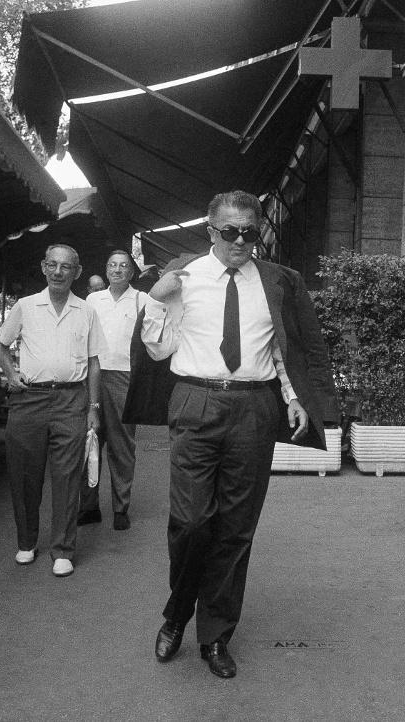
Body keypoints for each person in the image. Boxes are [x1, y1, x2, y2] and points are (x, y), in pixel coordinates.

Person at [136, 190, 338, 679]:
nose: (241, 241)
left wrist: (294, 398)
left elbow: (282, 350)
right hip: (194, 399)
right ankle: (177, 612)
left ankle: (215, 635)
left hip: (253, 408)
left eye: (250, 231)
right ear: (211, 231)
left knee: (235, 528)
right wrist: (156, 301)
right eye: (231, 231)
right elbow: (159, 350)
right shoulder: (183, 277)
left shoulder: (276, 282)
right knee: (190, 522)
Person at [0, 243, 104, 578]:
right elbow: (0, 344)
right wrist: (11, 374)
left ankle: (63, 549)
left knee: (67, 476)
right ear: (44, 267)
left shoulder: (86, 311)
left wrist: (94, 407)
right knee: (24, 474)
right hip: (29, 400)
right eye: (53, 265)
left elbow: (95, 363)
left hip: (72, 400)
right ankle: (26, 542)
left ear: (77, 272)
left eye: (66, 267)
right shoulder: (26, 306)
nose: (58, 272)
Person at [79, 249, 144, 530]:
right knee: (90, 439)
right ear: (106, 270)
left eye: (123, 266)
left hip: (125, 378)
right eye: (112, 265)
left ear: (131, 271)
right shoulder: (93, 300)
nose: (117, 270)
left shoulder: (142, 299)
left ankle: (120, 508)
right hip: (92, 375)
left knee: (122, 445)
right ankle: (89, 505)